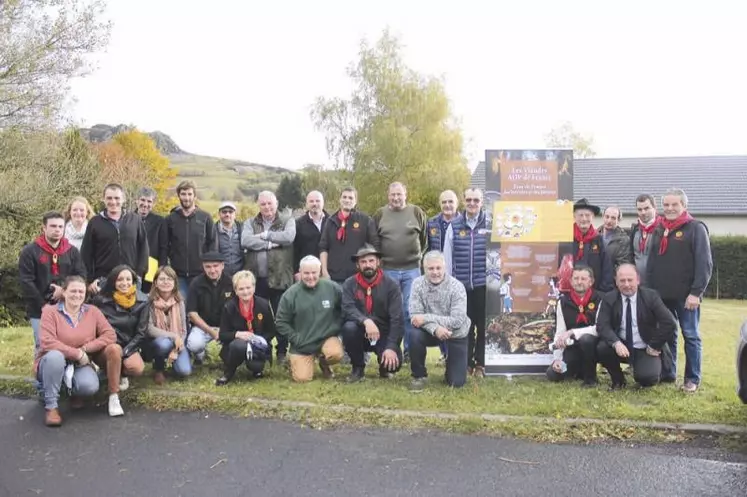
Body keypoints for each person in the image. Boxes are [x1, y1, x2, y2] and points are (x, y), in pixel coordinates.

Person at [647, 188, 713, 392]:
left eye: (674, 204)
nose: (670, 208)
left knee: (691, 335)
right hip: (662, 295)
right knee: (668, 334)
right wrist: (650, 291)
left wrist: (696, 293)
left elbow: (705, 264)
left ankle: (692, 379)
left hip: (687, 297)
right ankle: (668, 373)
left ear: (684, 205)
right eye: (666, 205)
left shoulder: (695, 228)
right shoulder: (660, 228)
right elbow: (652, 262)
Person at [35, 275, 120, 426]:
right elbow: (47, 342)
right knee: (56, 357)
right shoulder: (50, 311)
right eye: (73, 291)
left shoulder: (92, 311)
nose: (77, 295)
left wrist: (86, 349)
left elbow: (110, 335)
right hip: (52, 361)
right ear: (64, 292)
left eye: (81, 292)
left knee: (90, 386)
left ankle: (70, 391)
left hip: (79, 363)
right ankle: (51, 406)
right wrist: (77, 353)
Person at [596, 264, 677, 390]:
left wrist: (654, 345)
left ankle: (652, 369)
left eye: (630, 280)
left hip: (645, 347)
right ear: (616, 282)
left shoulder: (651, 296)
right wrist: (616, 343)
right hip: (621, 345)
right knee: (602, 347)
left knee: (647, 379)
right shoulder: (609, 298)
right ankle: (618, 380)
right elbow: (602, 325)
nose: (627, 284)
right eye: (622, 280)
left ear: (638, 280)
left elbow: (669, 322)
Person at [372, 182, 427, 362]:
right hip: (388, 270)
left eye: (399, 194)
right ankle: (391, 348)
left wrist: (417, 258)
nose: (396, 198)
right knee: (391, 311)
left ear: (406, 194)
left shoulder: (416, 212)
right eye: (392, 195)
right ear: (388, 195)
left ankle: (410, 350)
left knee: (410, 310)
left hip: (412, 270)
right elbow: (375, 241)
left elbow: (424, 240)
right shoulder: (380, 214)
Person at [19, 211, 86, 351]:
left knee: (69, 344)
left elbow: (80, 276)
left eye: (61, 227)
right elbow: (26, 282)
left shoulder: (72, 252)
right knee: (43, 345)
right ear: (44, 228)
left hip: (67, 306)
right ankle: (42, 372)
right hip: (39, 309)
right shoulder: (30, 251)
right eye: (53, 226)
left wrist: (63, 291)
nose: (57, 230)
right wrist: (43, 305)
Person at [242, 190, 295, 364]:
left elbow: (288, 237)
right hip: (257, 280)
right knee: (259, 317)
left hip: (280, 278)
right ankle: (262, 350)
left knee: (281, 317)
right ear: (259, 205)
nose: (266, 207)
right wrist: (273, 243)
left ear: (276, 203)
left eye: (269, 203)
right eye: (263, 204)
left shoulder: (287, 220)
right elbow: (246, 241)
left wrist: (265, 236)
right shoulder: (250, 222)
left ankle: (281, 352)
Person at [408, 251, 471, 391]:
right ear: (424, 269)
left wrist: (426, 318)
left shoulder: (457, 287)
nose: (435, 272)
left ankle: (451, 364)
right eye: (430, 269)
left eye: (438, 268)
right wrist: (435, 329)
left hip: (456, 333)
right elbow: (415, 315)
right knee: (413, 334)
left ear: (445, 268)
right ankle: (419, 376)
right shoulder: (417, 284)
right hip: (429, 331)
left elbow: (458, 320)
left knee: (456, 383)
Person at [275, 255, 344, 382]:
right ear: (300, 272)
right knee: (302, 378)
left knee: (336, 354)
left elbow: (344, 310)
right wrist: (296, 339)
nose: (310, 277)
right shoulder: (290, 295)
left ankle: (324, 361)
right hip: (302, 344)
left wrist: (336, 328)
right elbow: (280, 322)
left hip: (326, 338)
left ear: (320, 271)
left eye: (314, 273)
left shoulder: (332, 288)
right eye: (306, 273)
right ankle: (297, 362)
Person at [341, 245, 404, 383]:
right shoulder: (349, 284)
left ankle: (384, 366)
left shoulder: (391, 285)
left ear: (378, 262)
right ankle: (358, 368)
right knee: (348, 328)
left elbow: (397, 318)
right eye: (363, 262)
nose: (367, 265)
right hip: (360, 331)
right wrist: (365, 321)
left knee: (394, 365)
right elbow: (347, 308)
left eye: (371, 261)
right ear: (357, 264)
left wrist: (391, 347)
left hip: (383, 332)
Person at [80, 183, 149, 294]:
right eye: (109, 198)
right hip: (103, 280)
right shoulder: (95, 222)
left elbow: (144, 249)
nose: (113, 202)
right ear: (103, 199)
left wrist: (139, 274)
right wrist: (89, 280)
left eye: (117, 198)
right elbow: (86, 254)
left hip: (130, 279)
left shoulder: (135, 220)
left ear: (123, 199)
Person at [451, 188, 488, 377]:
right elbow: (447, 257)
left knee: (482, 327)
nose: (472, 203)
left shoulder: (490, 223)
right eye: (469, 200)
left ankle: (481, 364)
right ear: (464, 201)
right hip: (461, 287)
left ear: (482, 202)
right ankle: (466, 363)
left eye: (476, 200)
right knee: (465, 326)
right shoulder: (455, 225)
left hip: (484, 286)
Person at [93, 265, 148, 393]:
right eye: (120, 279)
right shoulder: (100, 301)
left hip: (129, 345)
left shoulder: (143, 301)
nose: (124, 283)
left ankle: (120, 374)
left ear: (133, 281)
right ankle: (108, 371)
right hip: (107, 346)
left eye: (128, 279)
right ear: (113, 281)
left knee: (136, 367)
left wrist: (126, 351)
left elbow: (141, 333)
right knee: (113, 352)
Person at [215, 270, 276, 385]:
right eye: (241, 289)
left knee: (256, 366)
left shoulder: (263, 304)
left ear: (254, 287)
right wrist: (237, 334)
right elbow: (222, 335)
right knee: (238, 345)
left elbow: (271, 331)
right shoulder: (229, 307)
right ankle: (228, 373)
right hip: (236, 345)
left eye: (248, 287)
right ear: (236, 291)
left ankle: (256, 370)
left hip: (257, 346)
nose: (245, 291)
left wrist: (258, 340)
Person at [546, 265, 603, 386]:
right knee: (553, 374)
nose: (579, 282)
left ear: (591, 281)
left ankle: (590, 379)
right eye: (576, 278)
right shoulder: (563, 302)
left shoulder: (600, 299)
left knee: (586, 339)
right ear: (571, 281)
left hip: (596, 347)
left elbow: (599, 328)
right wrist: (557, 359)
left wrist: (572, 332)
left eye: (583, 279)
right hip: (572, 347)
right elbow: (560, 332)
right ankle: (577, 370)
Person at [425, 189, 460, 363]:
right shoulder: (431, 223)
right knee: (439, 313)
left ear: (457, 204)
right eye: (444, 202)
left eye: (450, 202)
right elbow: (426, 249)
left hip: (457, 277)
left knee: (455, 315)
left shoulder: (462, 222)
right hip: (436, 277)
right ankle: (444, 352)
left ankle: (455, 352)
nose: (447, 205)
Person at [166, 180, 215, 299]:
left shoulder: (205, 217)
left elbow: (212, 243)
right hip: (178, 275)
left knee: (200, 308)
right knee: (182, 308)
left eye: (189, 194)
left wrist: (209, 268)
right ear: (178, 196)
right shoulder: (170, 219)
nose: (186, 198)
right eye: (183, 194)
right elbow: (165, 245)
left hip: (200, 273)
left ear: (195, 196)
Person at [185, 252, 234, 364]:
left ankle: (228, 356)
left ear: (222, 265)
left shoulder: (231, 282)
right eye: (208, 267)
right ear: (203, 267)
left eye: (215, 266)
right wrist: (211, 331)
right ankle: (199, 354)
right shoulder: (196, 283)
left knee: (236, 342)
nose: (212, 270)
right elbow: (192, 314)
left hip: (226, 327)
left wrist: (225, 330)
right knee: (194, 345)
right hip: (203, 327)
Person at [147, 266, 191, 385]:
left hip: (177, 342)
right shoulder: (149, 302)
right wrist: (173, 336)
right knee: (163, 344)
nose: (166, 282)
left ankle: (173, 362)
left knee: (184, 371)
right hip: (157, 341)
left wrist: (176, 350)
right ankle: (159, 368)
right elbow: (150, 329)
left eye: (169, 279)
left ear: (175, 282)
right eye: (162, 279)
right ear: (155, 283)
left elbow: (184, 330)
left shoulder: (180, 301)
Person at [563, 198, 612, 292]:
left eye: (587, 215)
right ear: (574, 217)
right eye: (580, 215)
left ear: (592, 217)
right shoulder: (565, 238)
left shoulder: (599, 240)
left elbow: (607, 269)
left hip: (594, 294)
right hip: (569, 295)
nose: (584, 219)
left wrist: (602, 293)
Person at [136, 187, 169, 293]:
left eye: (149, 201)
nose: (145, 204)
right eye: (142, 200)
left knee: (148, 299)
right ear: (137, 200)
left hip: (151, 268)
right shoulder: (128, 218)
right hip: (132, 267)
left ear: (153, 203)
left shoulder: (160, 221)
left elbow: (163, 248)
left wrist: (162, 271)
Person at [294, 191, 328, 279]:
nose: (314, 204)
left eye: (317, 201)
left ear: (323, 203)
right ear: (306, 204)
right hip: (307, 273)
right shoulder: (298, 224)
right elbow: (294, 250)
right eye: (311, 201)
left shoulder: (332, 222)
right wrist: (296, 272)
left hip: (328, 272)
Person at [629, 194, 661, 287]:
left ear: (654, 208)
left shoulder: (663, 229)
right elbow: (631, 255)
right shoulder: (635, 229)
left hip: (658, 286)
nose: (643, 212)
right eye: (639, 209)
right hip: (637, 285)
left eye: (647, 208)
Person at [213, 201, 245, 277]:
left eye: (230, 212)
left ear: (235, 214)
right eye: (224, 212)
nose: (227, 214)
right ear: (219, 214)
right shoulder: (212, 230)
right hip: (221, 275)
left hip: (241, 273)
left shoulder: (243, 229)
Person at [599, 205, 632, 271]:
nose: (609, 221)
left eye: (613, 218)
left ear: (619, 220)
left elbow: (623, 265)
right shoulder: (594, 235)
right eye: (607, 217)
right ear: (603, 216)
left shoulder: (624, 240)